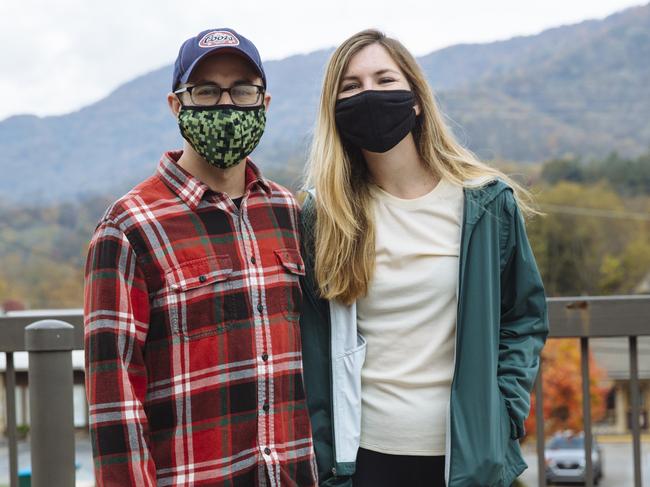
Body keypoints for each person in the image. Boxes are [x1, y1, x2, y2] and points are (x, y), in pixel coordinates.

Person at [298, 29, 549, 487]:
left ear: (415, 98)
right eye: (350, 87)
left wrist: (503, 414)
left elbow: (523, 318)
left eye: (384, 80)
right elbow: (310, 344)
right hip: (363, 457)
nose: (369, 95)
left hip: (465, 455)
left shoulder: (486, 204)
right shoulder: (324, 216)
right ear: (334, 110)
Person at [84, 28, 317, 487]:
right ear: (177, 105)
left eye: (242, 90)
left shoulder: (289, 213)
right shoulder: (129, 226)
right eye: (206, 91)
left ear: (264, 104)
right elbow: (115, 403)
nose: (226, 105)